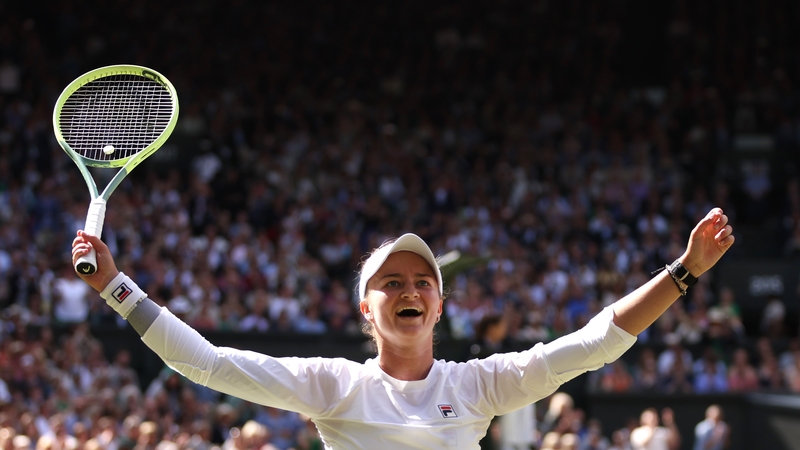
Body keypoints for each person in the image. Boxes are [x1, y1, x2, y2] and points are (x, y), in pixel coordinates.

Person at [71, 208, 735, 449]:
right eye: (391, 283)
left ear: (439, 308)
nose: (410, 290)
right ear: (367, 310)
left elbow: (594, 344)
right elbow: (209, 365)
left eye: (423, 283)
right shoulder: (331, 386)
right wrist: (115, 288)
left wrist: (683, 272)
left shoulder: (481, 385)